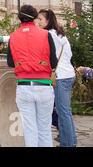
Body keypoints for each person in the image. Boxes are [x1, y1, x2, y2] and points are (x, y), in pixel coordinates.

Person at [7, 5, 57, 147]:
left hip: (23, 87)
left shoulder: (13, 37)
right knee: (45, 130)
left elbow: (11, 62)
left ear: (19, 19)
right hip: (43, 87)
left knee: (29, 131)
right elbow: (53, 61)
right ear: (35, 18)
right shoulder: (45, 35)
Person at [37, 8, 77, 147]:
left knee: (62, 112)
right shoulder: (60, 34)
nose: (38, 22)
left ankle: (67, 144)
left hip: (61, 77)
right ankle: (71, 141)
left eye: (40, 19)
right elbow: (70, 55)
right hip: (69, 74)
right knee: (66, 111)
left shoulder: (49, 34)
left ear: (48, 20)